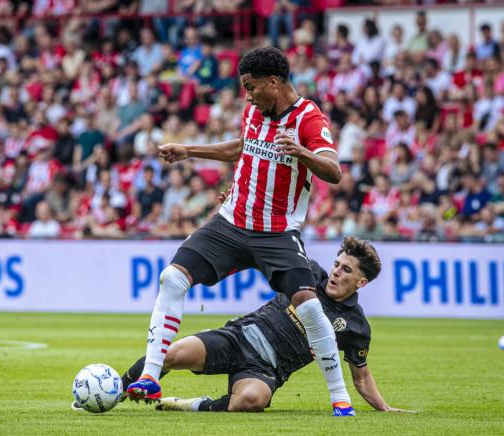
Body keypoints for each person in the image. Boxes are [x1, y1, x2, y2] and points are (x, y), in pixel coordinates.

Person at [126, 47, 353, 416]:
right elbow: (242, 147)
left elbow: (333, 170)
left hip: (277, 232)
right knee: (172, 278)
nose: (247, 95)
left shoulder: (309, 118)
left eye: (251, 87)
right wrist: (189, 151)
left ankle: (340, 399)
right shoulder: (254, 112)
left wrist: (301, 152)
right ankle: (151, 376)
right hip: (231, 223)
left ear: (274, 82)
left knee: (310, 308)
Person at [112, 237, 413, 413]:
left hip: (266, 370)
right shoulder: (307, 271)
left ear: (360, 281)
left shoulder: (355, 325)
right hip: (238, 337)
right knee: (171, 354)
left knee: (251, 400)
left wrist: (384, 408)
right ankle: (115, 392)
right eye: (337, 264)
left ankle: (189, 404)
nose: (336, 273)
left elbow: (361, 377)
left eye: (346, 270)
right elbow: (263, 248)